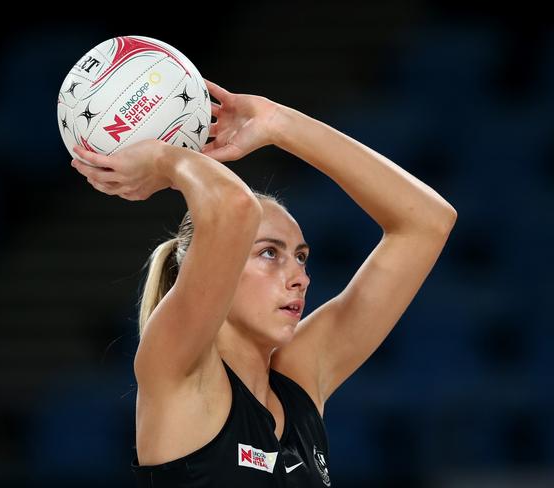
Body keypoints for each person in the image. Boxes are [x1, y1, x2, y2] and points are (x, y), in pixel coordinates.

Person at [70, 79, 457, 487]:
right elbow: (232, 207)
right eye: (269, 253)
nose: (300, 277)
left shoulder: (299, 380)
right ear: (213, 265)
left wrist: (279, 122)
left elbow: (427, 223)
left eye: (302, 257)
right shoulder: (177, 364)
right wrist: (166, 159)